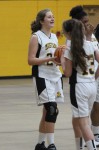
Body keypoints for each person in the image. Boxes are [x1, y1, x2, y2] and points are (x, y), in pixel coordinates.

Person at [69, 5, 99, 145]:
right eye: (84, 22)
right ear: (77, 23)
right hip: (86, 78)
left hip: (98, 74)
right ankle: (88, 139)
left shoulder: (91, 35)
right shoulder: (75, 39)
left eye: (88, 21)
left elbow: (98, 58)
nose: (88, 24)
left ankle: (96, 133)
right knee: (85, 110)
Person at [61, 18, 99, 150]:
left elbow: (67, 73)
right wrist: (94, 77)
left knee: (84, 123)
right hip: (92, 86)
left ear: (69, 33)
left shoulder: (70, 49)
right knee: (78, 118)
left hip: (79, 87)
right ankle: (78, 147)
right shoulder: (91, 44)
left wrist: (62, 60)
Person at [28, 9, 64, 150]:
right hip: (42, 76)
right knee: (51, 109)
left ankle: (40, 144)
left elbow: (55, 58)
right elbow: (30, 60)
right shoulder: (36, 37)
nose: (52, 18)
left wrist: (60, 61)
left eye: (53, 16)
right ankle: (51, 145)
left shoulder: (54, 37)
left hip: (55, 75)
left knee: (48, 111)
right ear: (42, 21)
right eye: (49, 17)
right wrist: (50, 58)